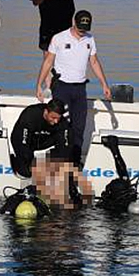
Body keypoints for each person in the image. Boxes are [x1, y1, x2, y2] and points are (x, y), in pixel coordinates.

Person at [36, 10, 111, 166]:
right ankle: (58, 159)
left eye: (85, 28)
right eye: (80, 28)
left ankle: (75, 161)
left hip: (79, 88)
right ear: (73, 22)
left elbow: (94, 62)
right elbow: (48, 62)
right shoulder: (59, 38)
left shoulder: (90, 39)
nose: (82, 31)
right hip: (62, 86)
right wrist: (39, 84)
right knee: (61, 124)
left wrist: (104, 83)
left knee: (79, 126)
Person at [9, 99, 93, 209]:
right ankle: (16, 162)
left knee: (68, 148)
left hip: (45, 140)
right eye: (53, 118)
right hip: (24, 139)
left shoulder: (61, 122)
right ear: (46, 112)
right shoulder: (30, 114)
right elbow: (22, 144)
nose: (56, 121)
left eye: (58, 118)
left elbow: (66, 148)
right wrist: (30, 164)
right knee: (24, 170)